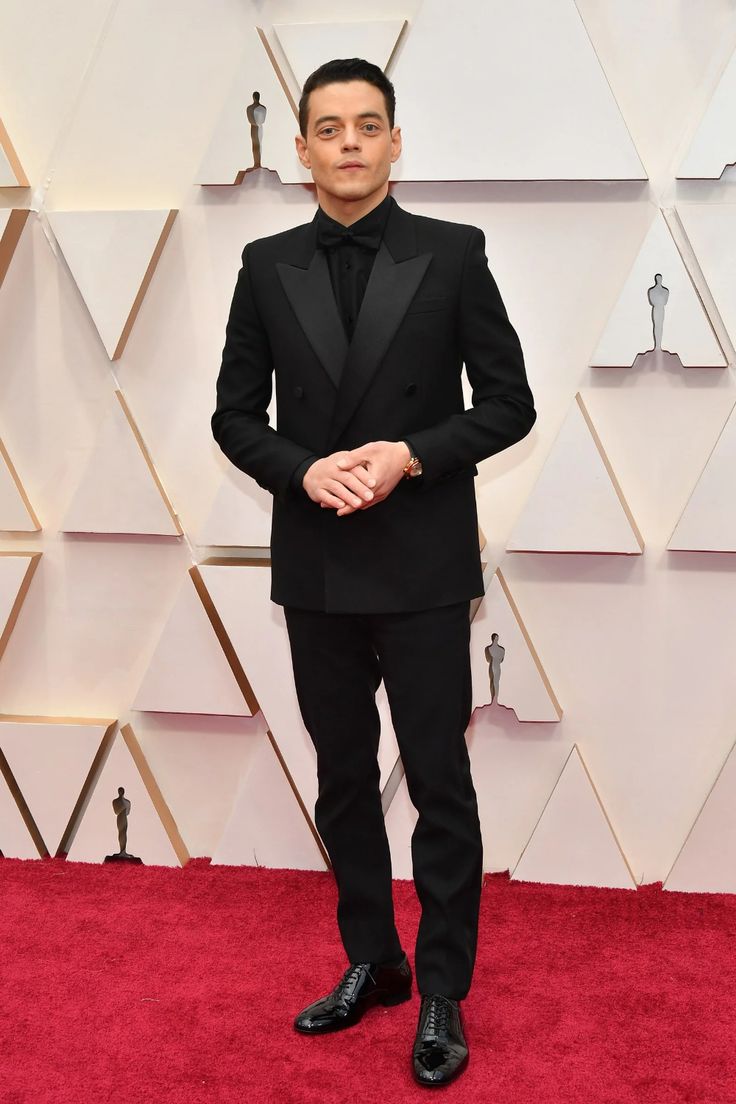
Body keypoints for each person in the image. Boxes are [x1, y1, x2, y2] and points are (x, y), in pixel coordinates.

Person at [211, 57, 536, 1087]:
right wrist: (304, 472)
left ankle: (441, 988)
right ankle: (374, 962)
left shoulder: (452, 254)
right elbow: (232, 415)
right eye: (329, 127)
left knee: (440, 781)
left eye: (368, 125)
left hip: (425, 559)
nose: (349, 142)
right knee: (343, 779)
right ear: (301, 149)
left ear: (397, 142)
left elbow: (506, 404)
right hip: (318, 561)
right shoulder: (265, 265)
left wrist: (411, 455)